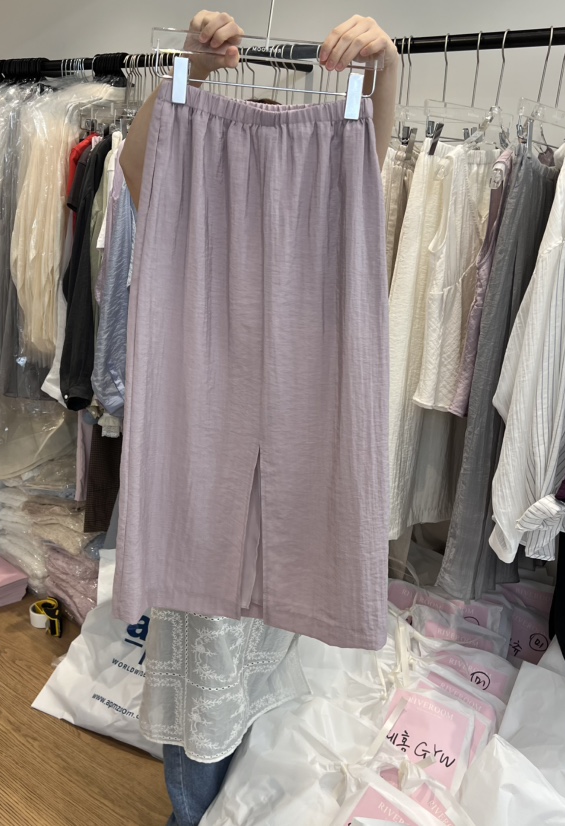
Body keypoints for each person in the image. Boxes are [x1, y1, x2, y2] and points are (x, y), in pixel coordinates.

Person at [119, 11, 399, 826]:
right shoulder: (182, 167)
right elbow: (140, 165)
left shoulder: (340, 164)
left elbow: (373, 140)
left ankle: (245, 807)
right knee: (204, 654)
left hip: (306, 404)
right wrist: (190, 69)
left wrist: (387, 66)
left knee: (283, 670)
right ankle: (194, 812)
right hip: (200, 408)